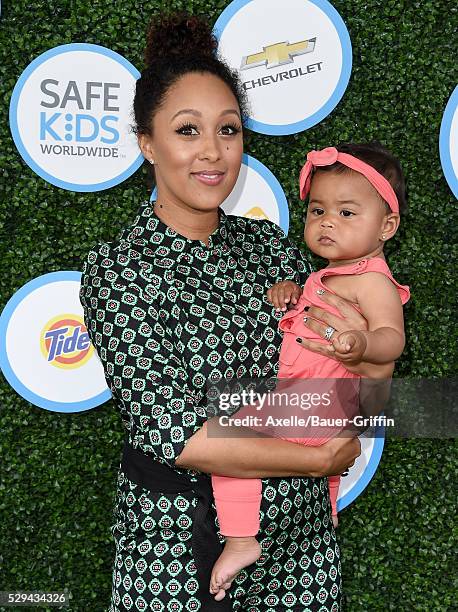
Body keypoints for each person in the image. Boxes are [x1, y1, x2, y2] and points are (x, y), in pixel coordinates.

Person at [79, 13, 364, 612]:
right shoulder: (122, 267)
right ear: (147, 143)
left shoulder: (269, 249)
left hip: (301, 548)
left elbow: (327, 374)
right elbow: (175, 434)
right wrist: (322, 458)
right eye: (188, 130)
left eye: (228, 130)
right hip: (184, 551)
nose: (212, 152)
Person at [209, 143, 410, 600]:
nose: (327, 222)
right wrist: (289, 290)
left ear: (387, 227)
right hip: (317, 400)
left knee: (233, 437)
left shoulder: (372, 279)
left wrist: (361, 345)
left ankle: (241, 539)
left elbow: (391, 338)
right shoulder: (330, 274)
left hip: (322, 399)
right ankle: (329, 508)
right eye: (318, 210)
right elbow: (307, 312)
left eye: (346, 212)